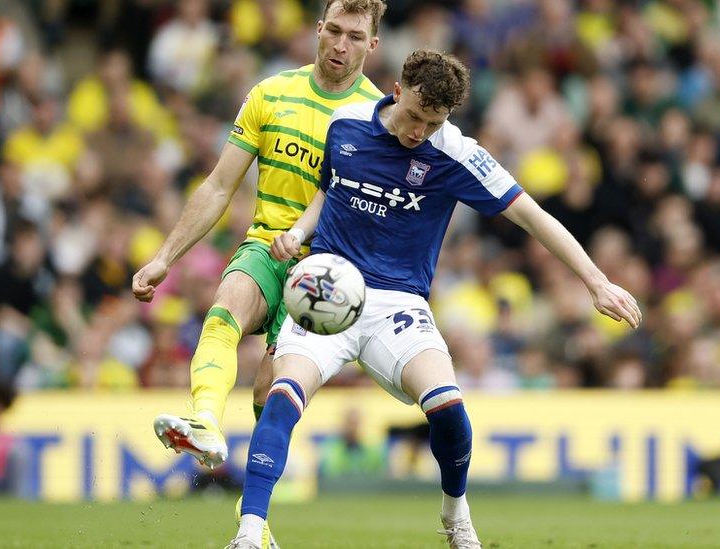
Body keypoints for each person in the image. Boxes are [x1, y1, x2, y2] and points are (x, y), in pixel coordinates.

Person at [228, 50, 641, 548]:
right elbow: (328, 190)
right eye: (413, 117)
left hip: (398, 303)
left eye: (433, 123)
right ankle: (250, 535)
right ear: (396, 91)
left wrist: (596, 281)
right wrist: (297, 232)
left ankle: (455, 515)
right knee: (282, 396)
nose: (418, 133)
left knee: (449, 410)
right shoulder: (346, 124)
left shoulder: (457, 153)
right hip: (328, 288)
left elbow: (533, 217)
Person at [133, 0, 386, 469]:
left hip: (326, 271)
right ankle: (204, 423)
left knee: (268, 396)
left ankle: (254, 521)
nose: (340, 44)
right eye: (334, 30)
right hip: (266, 246)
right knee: (223, 310)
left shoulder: (378, 117)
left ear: (372, 44)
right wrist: (165, 257)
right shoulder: (271, 93)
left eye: (354, 36)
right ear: (317, 29)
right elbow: (218, 185)